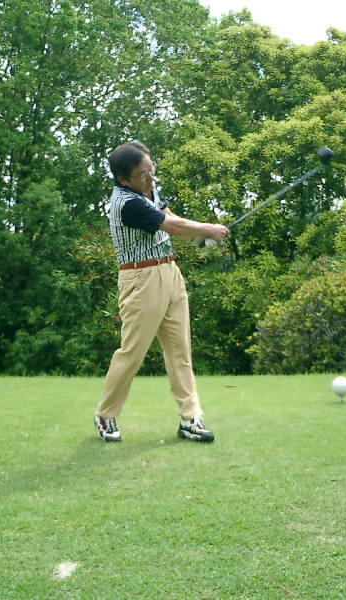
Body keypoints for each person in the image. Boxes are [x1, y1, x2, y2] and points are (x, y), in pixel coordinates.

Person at [94, 141, 229, 443]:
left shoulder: (150, 190)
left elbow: (171, 219)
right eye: (143, 175)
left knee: (180, 351)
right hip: (140, 279)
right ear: (123, 179)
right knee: (132, 354)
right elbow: (169, 224)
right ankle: (105, 414)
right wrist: (208, 229)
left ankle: (191, 418)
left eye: (151, 170)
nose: (150, 178)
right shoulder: (126, 203)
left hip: (169, 271)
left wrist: (198, 239)